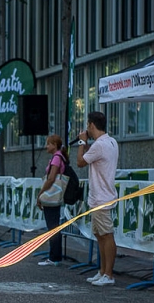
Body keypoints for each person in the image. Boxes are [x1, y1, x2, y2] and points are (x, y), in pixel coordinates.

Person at [77, 111, 119, 286]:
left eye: (88, 125)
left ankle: (108, 274)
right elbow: (92, 158)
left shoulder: (99, 145)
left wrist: (81, 142)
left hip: (101, 197)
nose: (87, 128)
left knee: (106, 235)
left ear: (92, 125)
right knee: (99, 234)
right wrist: (87, 145)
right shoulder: (111, 141)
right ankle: (102, 271)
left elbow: (80, 162)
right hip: (102, 196)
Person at [36, 134, 68, 266]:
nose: (46, 146)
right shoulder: (59, 156)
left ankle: (54, 257)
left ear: (55, 145)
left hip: (52, 195)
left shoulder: (56, 158)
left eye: (48, 144)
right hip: (54, 195)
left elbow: (51, 178)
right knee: (53, 226)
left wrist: (40, 194)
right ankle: (54, 255)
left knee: (52, 227)